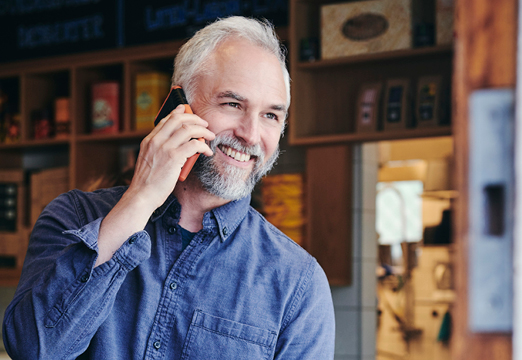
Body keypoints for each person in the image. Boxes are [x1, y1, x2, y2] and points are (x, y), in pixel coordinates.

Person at [2, 16, 335, 359]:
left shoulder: (299, 281)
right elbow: (34, 350)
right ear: (177, 106)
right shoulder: (73, 217)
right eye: (233, 104)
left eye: (271, 116)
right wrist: (141, 197)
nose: (251, 135)